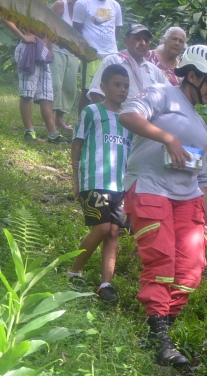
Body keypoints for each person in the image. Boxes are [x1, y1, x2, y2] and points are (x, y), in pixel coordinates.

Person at [118, 45, 207, 368]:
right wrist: (166, 138)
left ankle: (163, 326)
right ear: (192, 75)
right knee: (161, 261)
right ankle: (160, 337)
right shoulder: (162, 94)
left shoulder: (199, 123)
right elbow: (128, 115)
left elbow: (199, 177)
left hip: (187, 199)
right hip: (151, 189)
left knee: (191, 269)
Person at [68, 64, 132, 302]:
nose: (122, 90)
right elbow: (77, 145)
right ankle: (74, 271)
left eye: (126, 86)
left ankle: (106, 284)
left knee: (114, 231)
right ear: (103, 87)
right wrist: (75, 180)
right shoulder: (92, 112)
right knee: (103, 227)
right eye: (117, 84)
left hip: (120, 185)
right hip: (94, 180)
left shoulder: (129, 119)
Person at [2, 18, 64, 144]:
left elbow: (48, 28)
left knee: (46, 93)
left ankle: (53, 134)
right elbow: (4, 16)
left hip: (42, 48)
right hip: (28, 48)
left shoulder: (43, 6)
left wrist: (49, 48)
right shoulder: (26, 5)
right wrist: (23, 36)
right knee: (27, 92)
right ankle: (29, 131)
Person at [88, 24, 167, 103]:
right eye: (137, 39)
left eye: (146, 40)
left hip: (150, 114)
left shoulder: (153, 70)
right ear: (126, 41)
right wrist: (112, 114)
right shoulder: (113, 61)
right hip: (120, 113)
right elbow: (96, 93)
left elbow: (170, 92)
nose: (143, 43)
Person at [73, 0, 122, 112]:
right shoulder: (83, 4)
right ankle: (82, 124)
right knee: (88, 90)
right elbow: (76, 30)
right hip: (92, 55)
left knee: (113, 88)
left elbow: (117, 29)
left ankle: (109, 118)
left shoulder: (115, 5)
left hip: (112, 54)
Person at [50, 0, 82, 131]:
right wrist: (48, 48)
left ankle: (59, 120)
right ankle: (49, 119)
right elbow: (47, 25)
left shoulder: (83, 8)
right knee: (55, 85)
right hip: (56, 49)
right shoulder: (60, 5)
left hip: (73, 53)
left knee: (69, 87)